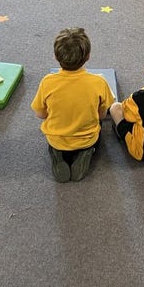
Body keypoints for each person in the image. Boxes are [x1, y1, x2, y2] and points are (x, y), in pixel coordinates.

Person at [31, 27, 115, 183]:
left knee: (54, 142)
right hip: (87, 139)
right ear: (88, 56)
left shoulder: (47, 82)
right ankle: (86, 153)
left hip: (57, 140)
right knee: (98, 130)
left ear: (56, 57)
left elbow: (40, 114)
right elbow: (102, 115)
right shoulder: (99, 82)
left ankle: (57, 155)